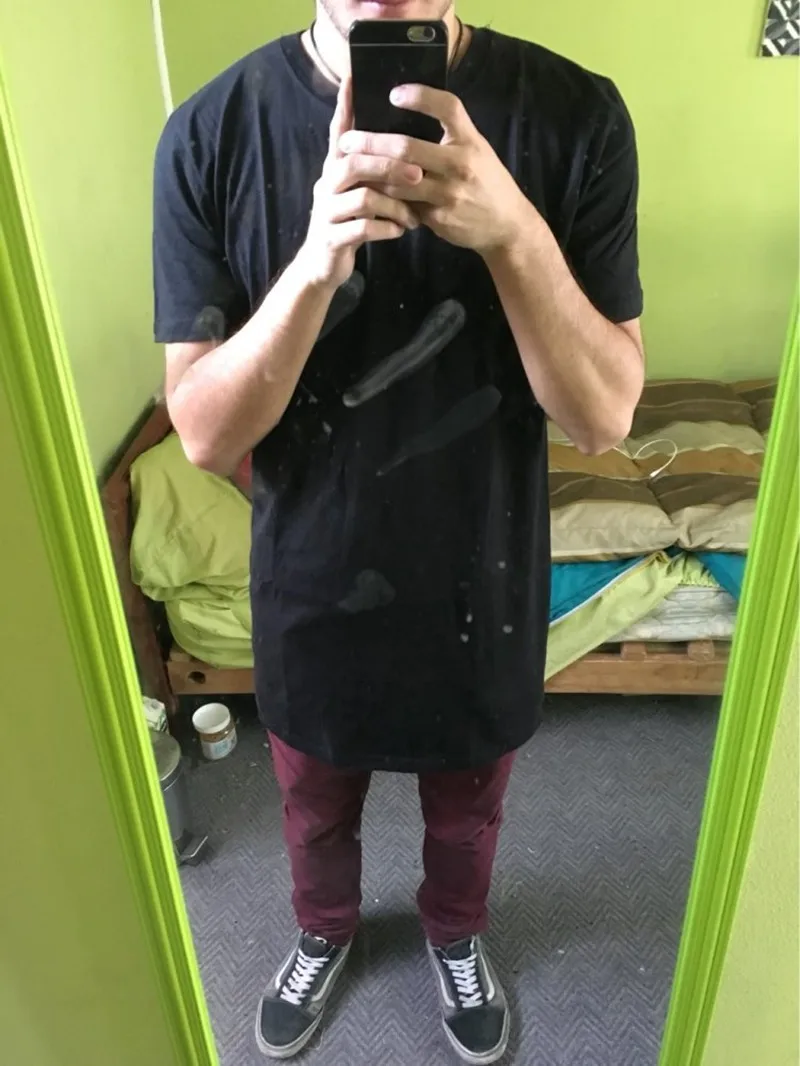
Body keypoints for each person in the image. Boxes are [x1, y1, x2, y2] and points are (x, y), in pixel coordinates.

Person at [153, 1, 645, 1061]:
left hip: (482, 578)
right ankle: (323, 930)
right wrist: (312, 266)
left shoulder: (577, 116)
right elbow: (201, 432)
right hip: (308, 577)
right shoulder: (209, 132)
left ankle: (455, 933)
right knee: (313, 811)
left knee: (466, 817)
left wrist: (513, 231)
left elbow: (603, 416)